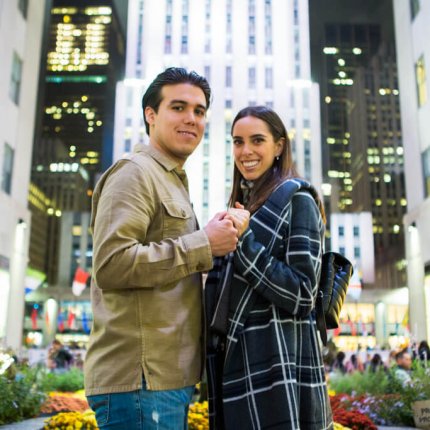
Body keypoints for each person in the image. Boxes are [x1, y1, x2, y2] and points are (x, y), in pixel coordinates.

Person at [84, 67, 249, 430]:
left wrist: (216, 236)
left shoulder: (170, 179)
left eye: (200, 111)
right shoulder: (135, 173)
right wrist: (203, 243)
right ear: (151, 115)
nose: (191, 118)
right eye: (178, 107)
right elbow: (111, 265)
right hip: (140, 379)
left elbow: (168, 270)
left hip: (162, 378)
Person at [205, 106, 332, 429]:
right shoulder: (243, 204)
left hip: (278, 363)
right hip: (237, 358)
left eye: (257, 140)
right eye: (237, 142)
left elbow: (304, 293)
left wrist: (244, 242)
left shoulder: (297, 199)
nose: (245, 151)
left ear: (278, 146)